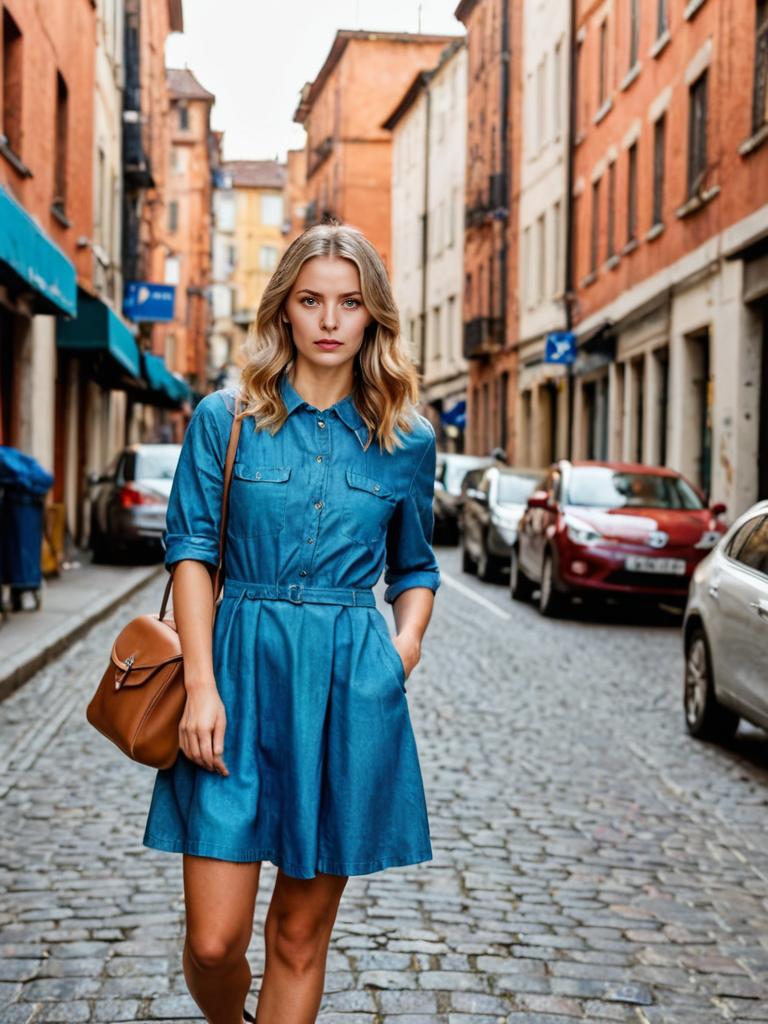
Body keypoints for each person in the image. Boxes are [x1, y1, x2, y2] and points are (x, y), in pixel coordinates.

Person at [141, 222, 441, 1024]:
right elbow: (193, 553)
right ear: (285, 311)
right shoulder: (225, 417)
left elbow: (415, 568)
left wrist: (401, 648)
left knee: (299, 939)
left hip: (348, 691)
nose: (331, 320)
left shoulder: (405, 440)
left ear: (374, 315)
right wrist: (200, 686)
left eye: (350, 303)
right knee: (213, 941)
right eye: (312, 301)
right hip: (233, 680)